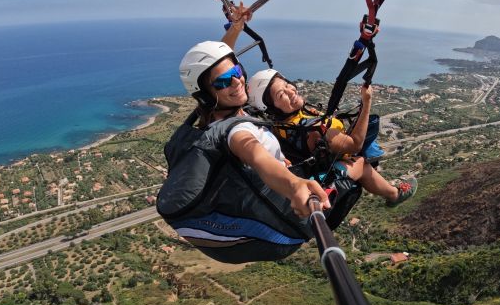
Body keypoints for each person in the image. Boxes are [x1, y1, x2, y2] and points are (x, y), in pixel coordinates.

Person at [156, 30, 330, 264]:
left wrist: (235, 28)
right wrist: (294, 184)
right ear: (207, 95)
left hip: (266, 203)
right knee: (352, 166)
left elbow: (218, 65)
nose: (237, 81)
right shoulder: (237, 132)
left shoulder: (214, 112)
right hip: (286, 226)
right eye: (224, 82)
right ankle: (393, 193)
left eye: (237, 72)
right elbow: (257, 156)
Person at [247, 69, 417, 207]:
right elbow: (354, 145)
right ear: (272, 108)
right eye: (280, 95)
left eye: (287, 85)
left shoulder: (283, 123)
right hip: (325, 174)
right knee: (361, 164)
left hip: (315, 162)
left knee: (367, 151)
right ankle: (395, 195)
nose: (290, 92)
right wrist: (366, 103)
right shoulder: (313, 129)